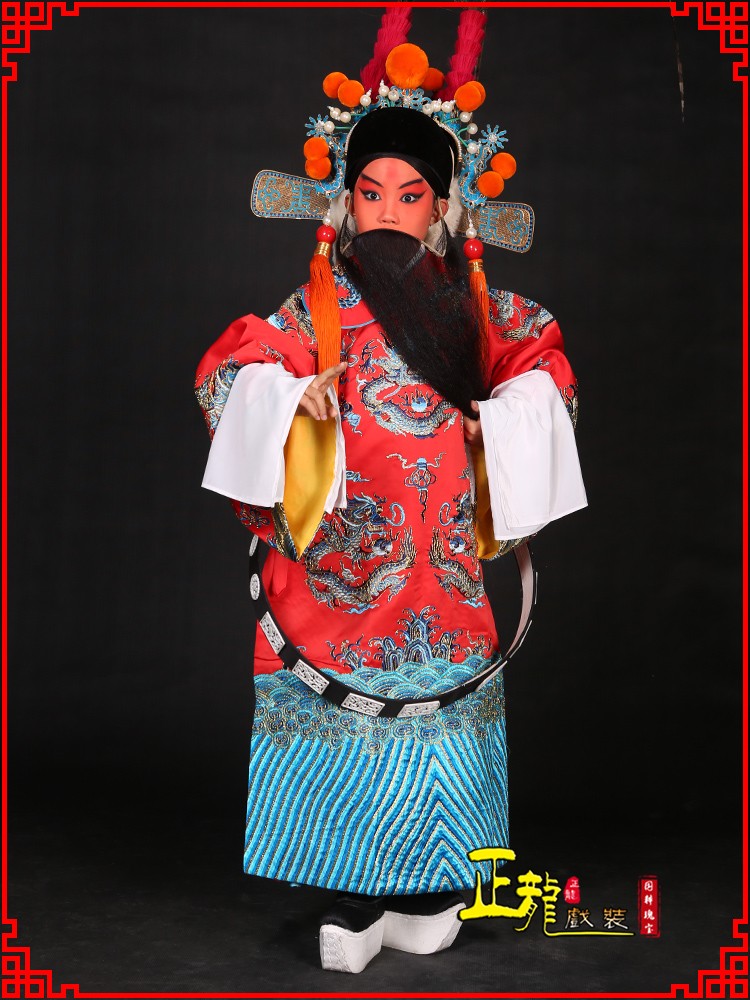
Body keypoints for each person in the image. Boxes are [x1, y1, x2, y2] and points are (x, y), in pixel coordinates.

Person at [195, 14, 586, 974]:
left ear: (444, 207)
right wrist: (289, 396)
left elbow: (548, 374)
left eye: (409, 197)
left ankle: (430, 898)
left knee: (439, 736)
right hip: (341, 574)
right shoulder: (314, 311)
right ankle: (354, 899)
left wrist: (501, 418)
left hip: (442, 575)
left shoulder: (484, 310)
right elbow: (228, 372)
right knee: (344, 732)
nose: (386, 214)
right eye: (369, 193)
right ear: (343, 200)